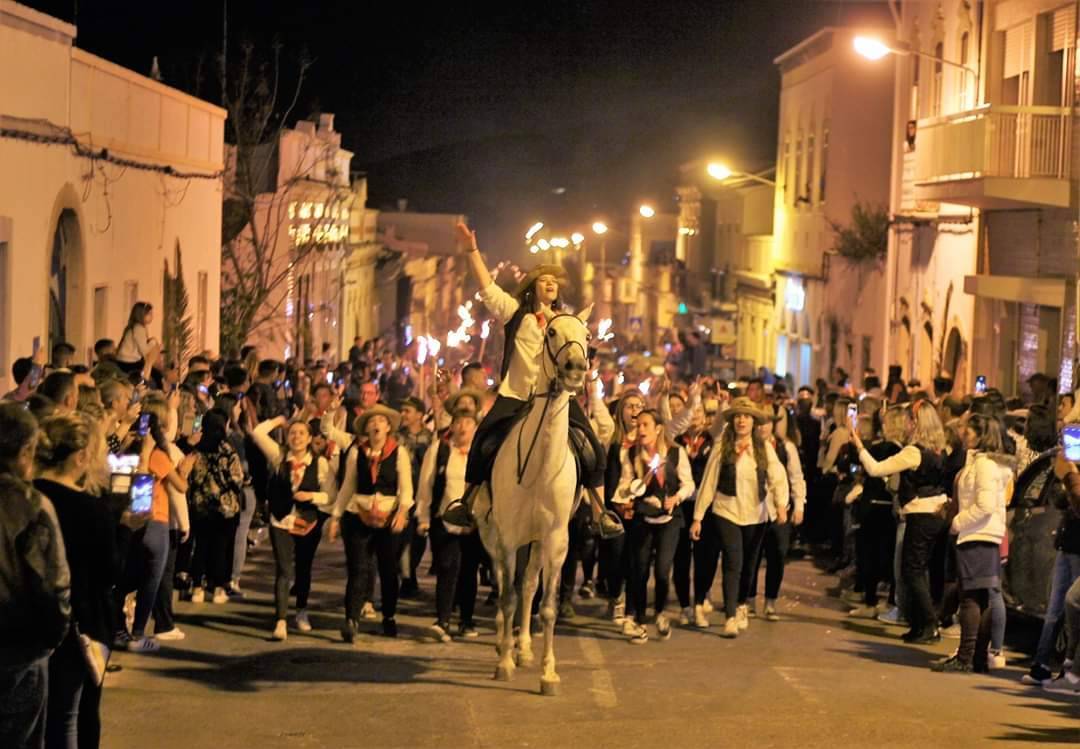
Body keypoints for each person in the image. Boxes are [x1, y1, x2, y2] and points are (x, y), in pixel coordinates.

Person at [441, 222, 615, 536]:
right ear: (533, 286)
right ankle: (466, 502)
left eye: (554, 282)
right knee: (482, 440)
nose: (550, 285)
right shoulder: (515, 313)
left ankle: (601, 511)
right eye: (544, 280)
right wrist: (471, 250)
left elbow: (579, 350)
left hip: (558, 398)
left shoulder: (567, 322)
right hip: (517, 395)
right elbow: (488, 288)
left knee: (592, 446)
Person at [33, 414, 117, 749]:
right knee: (69, 714)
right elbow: (109, 572)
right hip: (77, 621)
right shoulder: (90, 510)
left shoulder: (25, 496)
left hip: (25, 618)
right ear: (80, 456)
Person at [0, 403, 71, 749]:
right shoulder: (32, 504)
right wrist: (49, 639)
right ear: (26, 450)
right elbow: (55, 582)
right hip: (20, 649)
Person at [691, 398, 789, 638]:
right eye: (737, 416)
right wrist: (698, 517)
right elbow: (708, 482)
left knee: (749, 565)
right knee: (732, 562)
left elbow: (778, 476)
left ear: (753, 421)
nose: (742, 420)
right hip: (727, 511)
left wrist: (781, 504)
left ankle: (743, 603)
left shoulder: (763, 448)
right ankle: (731, 616)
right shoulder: (721, 447)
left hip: (756, 514)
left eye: (746, 416)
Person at [853, 400, 949, 644]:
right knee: (918, 570)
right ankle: (919, 624)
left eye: (909, 420)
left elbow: (876, 469)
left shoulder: (914, 452)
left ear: (916, 423)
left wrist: (859, 446)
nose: (905, 424)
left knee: (912, 571)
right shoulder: (940, 450)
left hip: (920, 514)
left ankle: (928, 623)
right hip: (934, 513)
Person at [932, 414, 1011, 673]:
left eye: (968, 432)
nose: (963, 435)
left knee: (971, 598)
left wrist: (958, 522)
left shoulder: (984, 465)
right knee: (978, 597)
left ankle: (968, 656)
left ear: (980, 434)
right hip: (980, 533)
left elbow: (985, 505)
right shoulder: (982, 463)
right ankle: (975, 656)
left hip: (978, 534)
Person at [330, 404, 413, 640]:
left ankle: (389, 616)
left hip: (388, 517)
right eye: (372, 421)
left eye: (380, 421)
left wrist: (402, 512)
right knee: (358, 568)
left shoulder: (399, 452)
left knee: (388, 570)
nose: (376, 425)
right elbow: (348, 485)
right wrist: (336, 516)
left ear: (388, 427)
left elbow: (406, 488)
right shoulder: (357, 452)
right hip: (359, 514)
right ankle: (351, 619)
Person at [251, 414, 336, 640]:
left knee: (303, 568)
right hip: (281, 519)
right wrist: (278, 421)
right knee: (284, 569)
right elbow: (258, 433)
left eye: (301, 434)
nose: (296, 437)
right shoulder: (279, 456)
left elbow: (331, 495)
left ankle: (301, 610)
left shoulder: (320, 463)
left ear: (309, 439)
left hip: (307, 522)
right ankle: (280, 620)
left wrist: (312, 495)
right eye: (292, 433)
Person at [613, 409, 694, 644]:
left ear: (658, 428)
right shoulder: (631, 454)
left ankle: (659, 612)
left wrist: (676, 497)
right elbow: (625, 483)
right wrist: (626, 499)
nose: (640, 430)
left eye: (646, 425)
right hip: (642, 518)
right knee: (639, 569)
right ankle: (638, 619)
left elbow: (688, 484)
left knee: (662, 570)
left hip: (669, 518)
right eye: (638, 426)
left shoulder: (676, 452)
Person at [416, 409, 483, 641]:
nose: (463, 427)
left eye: (468, 422)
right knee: (446, 568)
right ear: (452, 426)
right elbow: (425, 484)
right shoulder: (440, 450)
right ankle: (443, 619)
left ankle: (466, 619)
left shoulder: (482, 452)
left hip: (474, 523)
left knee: (468, 571)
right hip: (444, 520)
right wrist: (422, 516)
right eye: (459, 422)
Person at [746, 405, 806, 621]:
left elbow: (796, 477)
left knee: (777, 555)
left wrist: (799, 505)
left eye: (767, 422)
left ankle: (771, 600)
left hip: (779, 510)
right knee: (751, 556)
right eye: (759, 422)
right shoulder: (747, 445)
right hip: (753, 509)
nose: (763, 427)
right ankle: (749, 599)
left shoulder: (785, 447)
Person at [186, 410, 247, 605]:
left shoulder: (197, 450)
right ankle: (219, 588)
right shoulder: (228, 450)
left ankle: (197, 587)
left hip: (201, 505)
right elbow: (237, 479)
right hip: (225, 507)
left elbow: (192, 477)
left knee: (201, 547)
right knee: (221, 548)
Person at [397, 396, 433, 599]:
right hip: (404, 494)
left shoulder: (428, 437)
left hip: (422, 493)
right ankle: (407, 578)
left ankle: (410, 571)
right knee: (404, 539)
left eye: (408, 411)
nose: (404, 414)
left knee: (419, 541)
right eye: (402, 410)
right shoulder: (398, 436)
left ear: (419, 414)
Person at [115, 302, 158, 376]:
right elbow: (144, 351)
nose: (152, 316)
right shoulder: (138, 328)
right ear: (141, 315)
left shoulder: (134, 327)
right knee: (154, 372)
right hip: (128, 363)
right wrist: (154, 341)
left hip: (124, 361)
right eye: (149, 314)